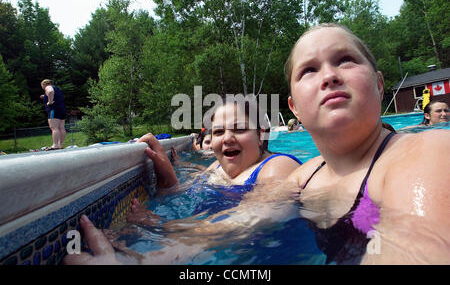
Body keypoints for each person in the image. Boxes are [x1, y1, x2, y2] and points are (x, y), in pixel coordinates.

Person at [283, 23, 449, 264]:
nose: (329, 76)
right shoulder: (302, 177)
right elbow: (238, 226)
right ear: (295, 108)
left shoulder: (427, 153)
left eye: (345, 60)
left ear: (379, 84)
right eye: (309, 70)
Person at [63, 98, 302, 264]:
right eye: (218, 132)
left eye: (239, 129)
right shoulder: (217, 167)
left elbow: (248, 221)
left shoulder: (275, 168)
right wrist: (165, 170)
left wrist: (159, 237)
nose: (227, 138)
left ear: (261, 134)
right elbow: (180, 191)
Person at [40, 79, 67, 150]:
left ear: (44, 84)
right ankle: (60, 144)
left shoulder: (48, 87)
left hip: (54, 109)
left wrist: (50, 101)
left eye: (42, 86)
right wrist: (45, 96)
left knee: (54, 128)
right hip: (62, 109)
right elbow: (53, 94)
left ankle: (55, 145)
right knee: (61, 127)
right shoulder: (57, 88)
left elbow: (50, 91)